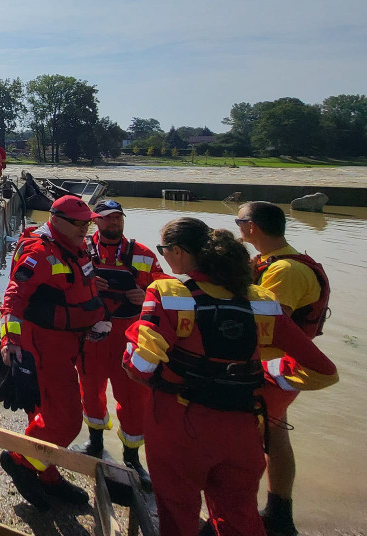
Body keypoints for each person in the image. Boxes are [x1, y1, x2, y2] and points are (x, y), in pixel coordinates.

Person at [123, 217, 338, 536]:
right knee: (240, 516)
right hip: (241, 429)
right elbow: (324, 372)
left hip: (178, 427)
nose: (163, 256)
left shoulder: (169, 292)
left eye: (164, 250)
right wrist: (262, 374)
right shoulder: (261, 301)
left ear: (180, 252)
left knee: (178, 513)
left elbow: (138, 366)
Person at [0, 195, 109, 510]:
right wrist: (11, 343)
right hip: (45, 351)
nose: (86, 228)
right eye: (79, 223)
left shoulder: (77, 247)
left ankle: (45, 474)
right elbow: (13, 301)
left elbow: (81, 286)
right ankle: (21, 462)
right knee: (67, 422)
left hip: (69, 345)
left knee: (43, 417)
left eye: (88, 222)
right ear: (56, 219)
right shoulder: (39, 254)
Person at [235, 201, 331, 536]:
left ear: (253, 227)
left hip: (271, 370)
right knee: (274, 435)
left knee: (246, 443)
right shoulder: (270, 262)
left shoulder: (284, 272)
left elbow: (265, 324)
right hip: (279, 368)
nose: (237, 226)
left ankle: (249, 513)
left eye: (239, 221)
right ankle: (279, 512)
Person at [75, 199, 161, 487]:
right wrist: (87, 286)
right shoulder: (79, 251)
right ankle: (95, 443)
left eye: (118, 218)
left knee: (135, 399)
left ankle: (133, 457)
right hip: (93, 337)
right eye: (108, 218)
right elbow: (63, 285)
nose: (114, 223)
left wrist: (147, 295)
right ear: (95, 220)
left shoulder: (143, 254)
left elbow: (167, 293)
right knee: (90, 390)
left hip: (130, 338)